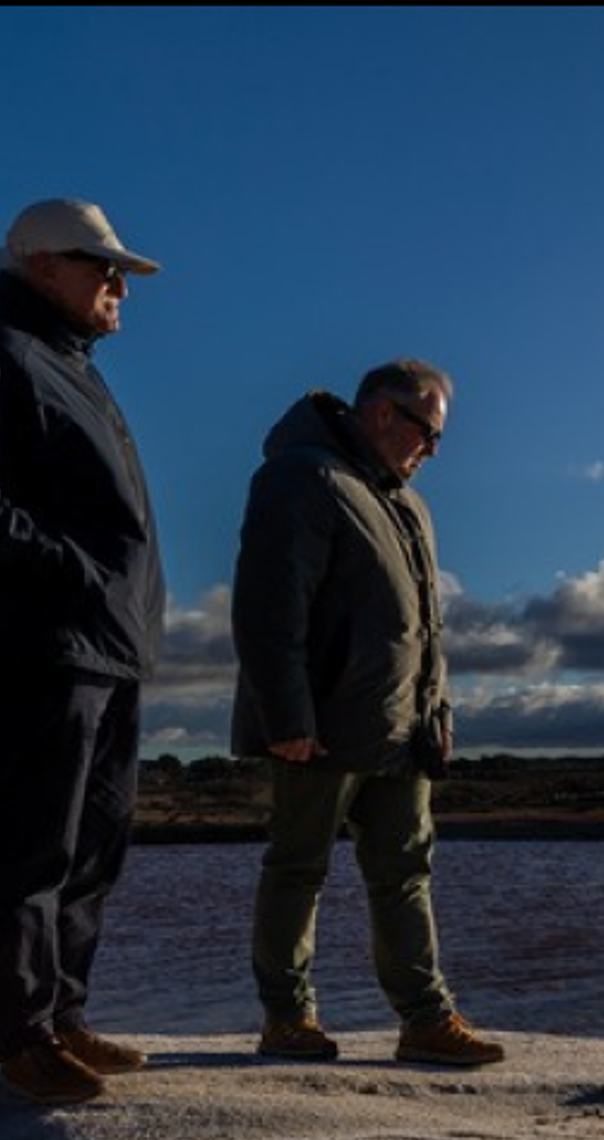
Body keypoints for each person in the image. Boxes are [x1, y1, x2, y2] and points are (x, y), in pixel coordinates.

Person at [0, 199, 166, 1104]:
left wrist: (113, 598)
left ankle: (65, 1014)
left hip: (110, 647)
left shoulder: (74, 366)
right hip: (39, 643)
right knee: (32, 842)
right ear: (42, 265)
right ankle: (22, 1036)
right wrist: (63, 569)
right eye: (103, 266)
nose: (119, 285)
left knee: (97, 843)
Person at [230, 361, 505, 1067]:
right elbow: (269, 607)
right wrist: (286, 717)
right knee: (298, 867)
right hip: (319, 729)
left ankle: (426, 1019)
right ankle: (286, 1020)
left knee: (406, 871)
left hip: (400, 730)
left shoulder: (408, 505)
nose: (433, 451)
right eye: (428, 433)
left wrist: (436, 716)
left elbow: (427, 628)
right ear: (383, 412)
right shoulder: (302, 478)